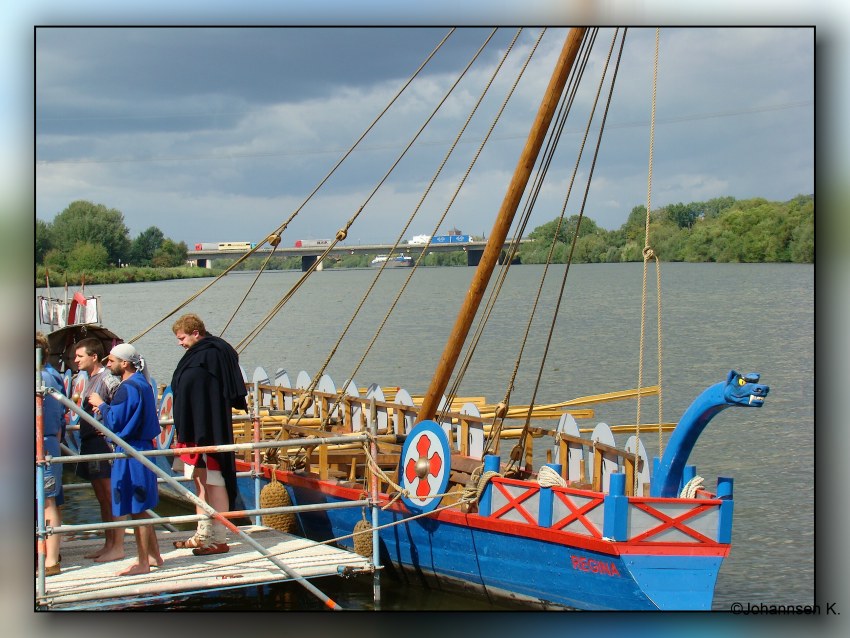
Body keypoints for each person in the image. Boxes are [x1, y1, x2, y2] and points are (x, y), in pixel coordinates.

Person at [170, 313, 247, 556]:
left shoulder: (211, 354)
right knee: (200, 481)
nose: (179, 343)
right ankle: (203, 535)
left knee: (215, 481)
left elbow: (210, 394)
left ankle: (219, 539)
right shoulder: (204, 353)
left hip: (208, 430)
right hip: (194, 429)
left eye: (182, 338)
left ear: (196, 333)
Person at [88, 343, 163, 576]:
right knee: (144, 506)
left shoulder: (127, 387)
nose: (107, 364)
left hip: (131, 452)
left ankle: (142, 563)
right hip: (143, 448)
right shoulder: (144, 384)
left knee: (138, 509)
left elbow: (116, 421)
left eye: (111, 361)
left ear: (125, 363)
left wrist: (100, 404)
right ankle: (154, 556)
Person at [73, 337, 125, 562]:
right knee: (102, 497)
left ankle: (117, 546)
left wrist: (110, 429)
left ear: (94, 357)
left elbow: (120, 406)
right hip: (89, 442)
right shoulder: (89, 379)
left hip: (102, 444)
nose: (75, 360)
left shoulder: (107, 379)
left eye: (79, 356)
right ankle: (108, 543)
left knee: (109, 495)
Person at [36, 332, 64, 576]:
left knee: (46, 501)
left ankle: (51, 560)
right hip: (49, 441)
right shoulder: (54, 375)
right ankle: (49, 555)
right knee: (47, 501)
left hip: (41, 445)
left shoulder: (40, 378)